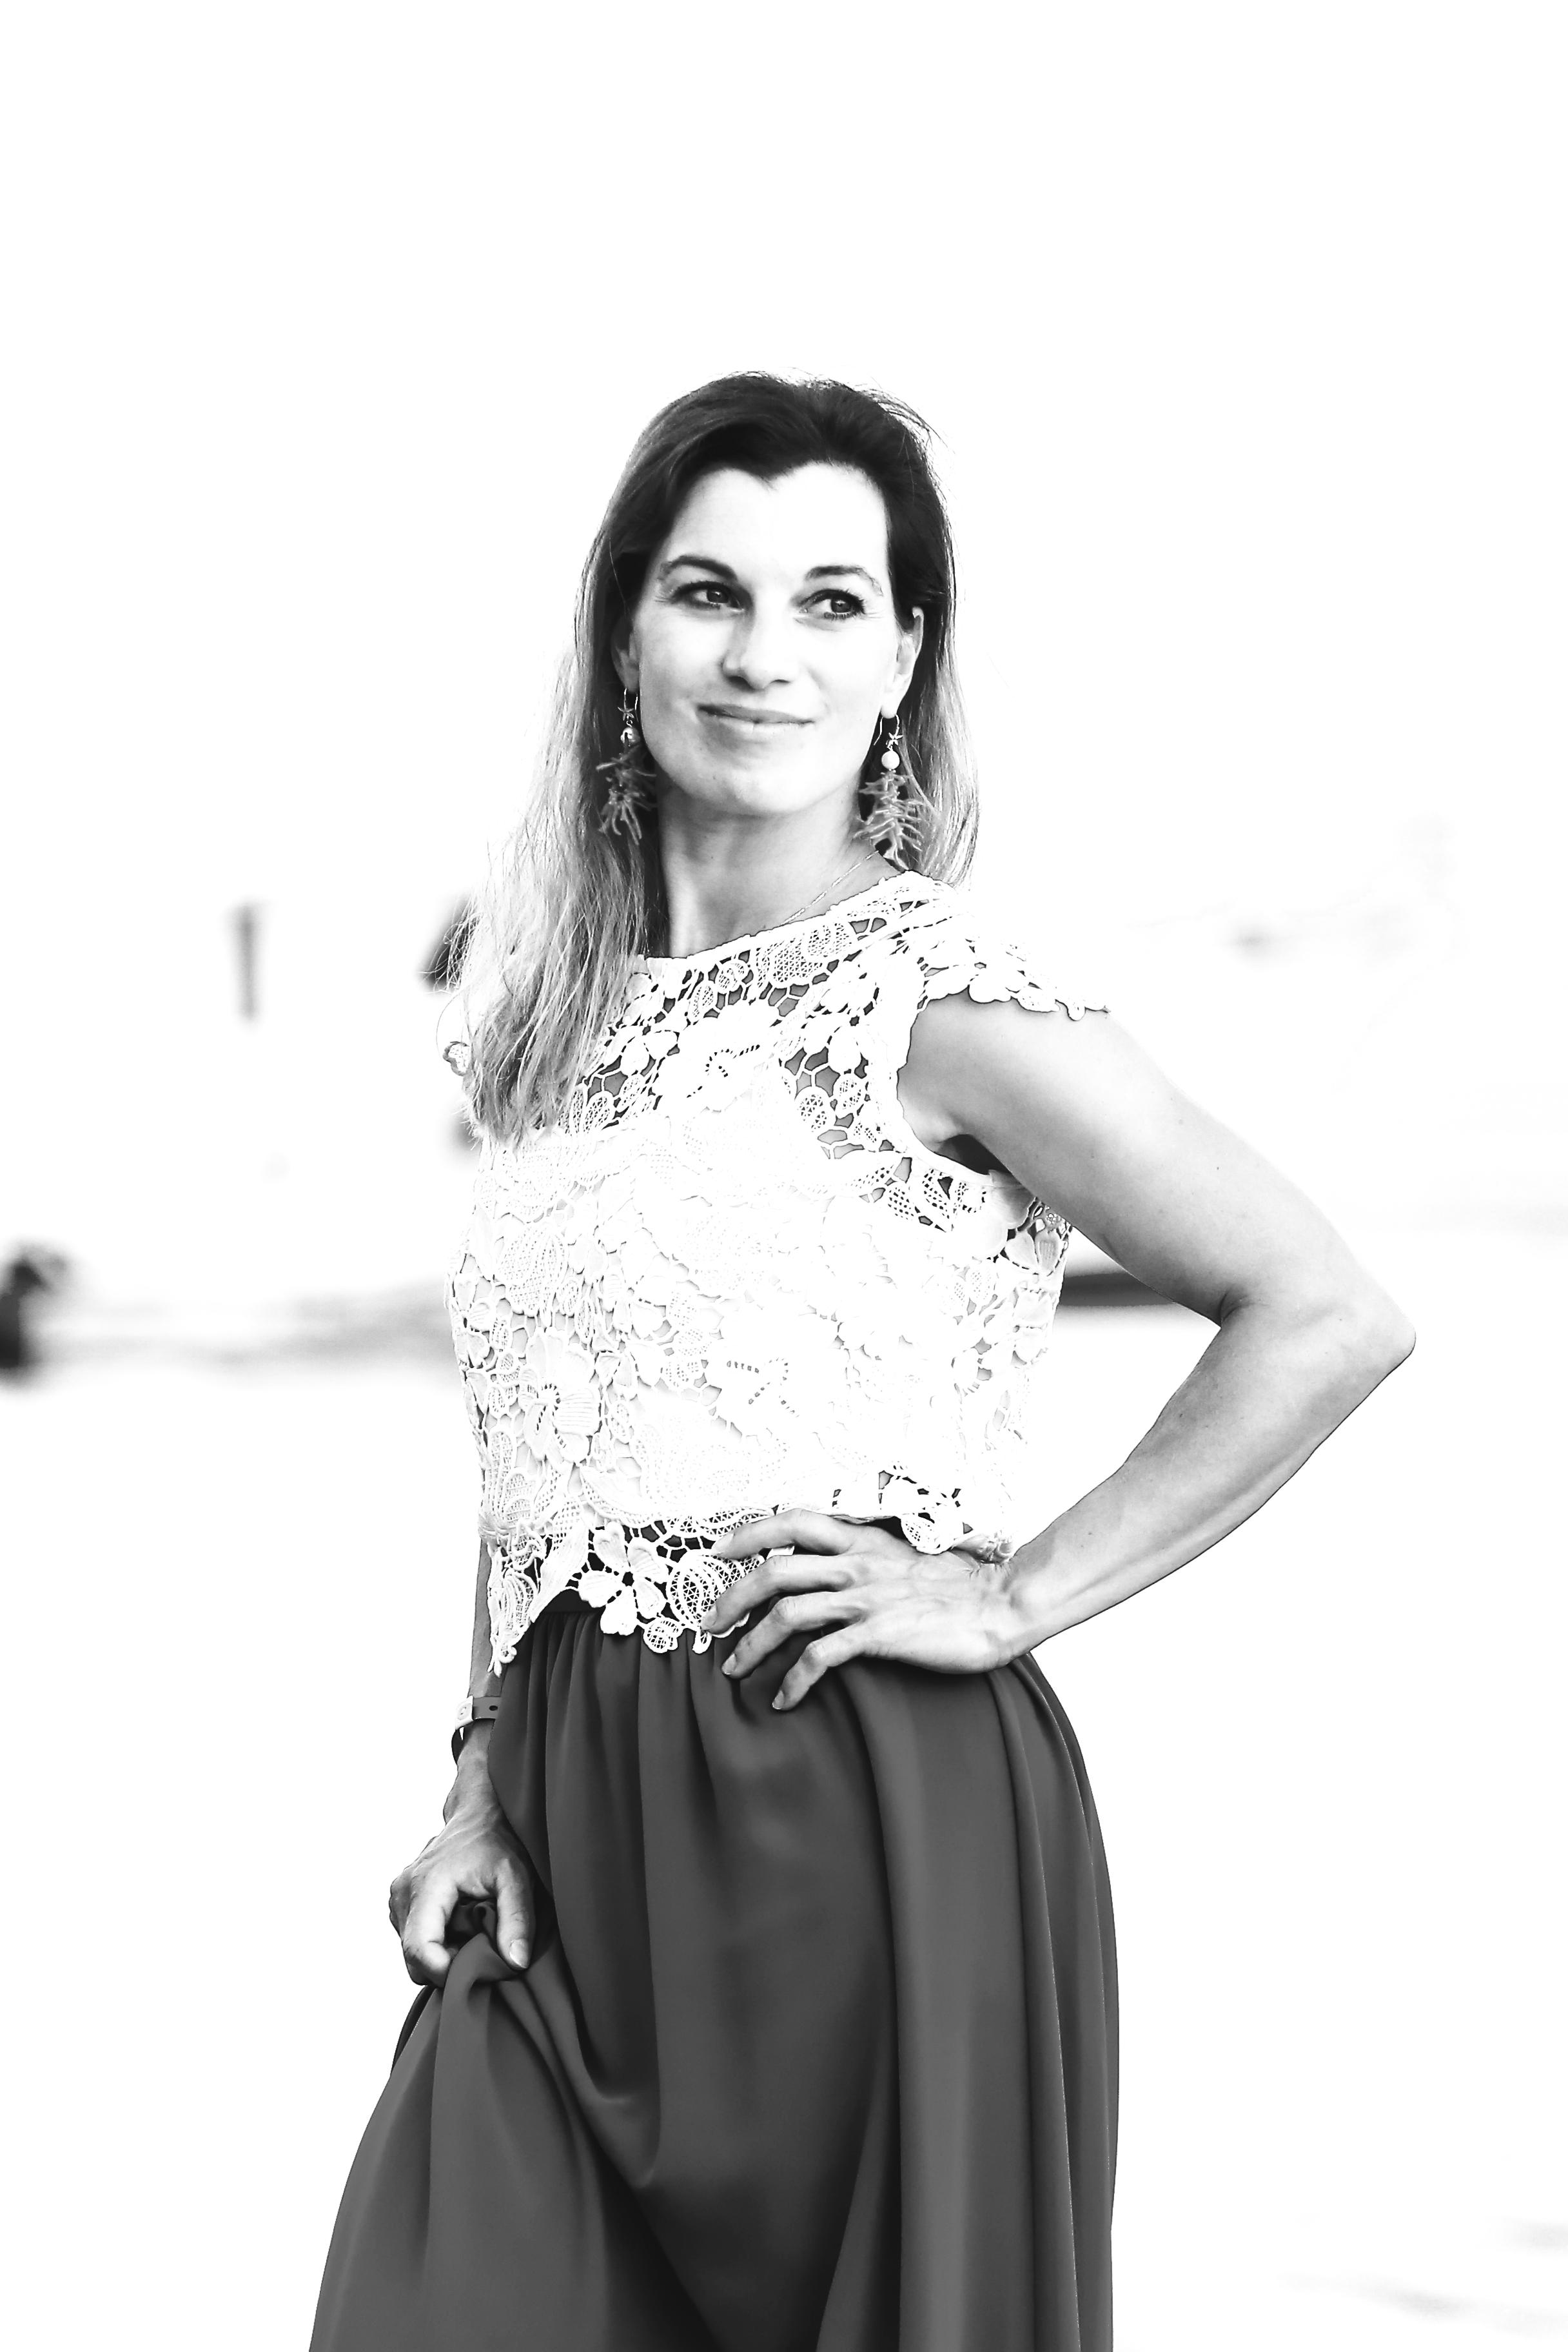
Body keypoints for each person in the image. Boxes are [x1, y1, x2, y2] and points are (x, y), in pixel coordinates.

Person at [310, 375, 1414, 2352]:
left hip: (853, 1815)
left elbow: (1325, 1311)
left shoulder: (936, 996)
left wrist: (1011, 1599)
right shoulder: (550, 1015)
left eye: (832, 601)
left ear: (904, 659)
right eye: (709, 592)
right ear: (623, 633)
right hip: (562, 1838)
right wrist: (476, 1772)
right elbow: (542, 1439)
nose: (765, 655)